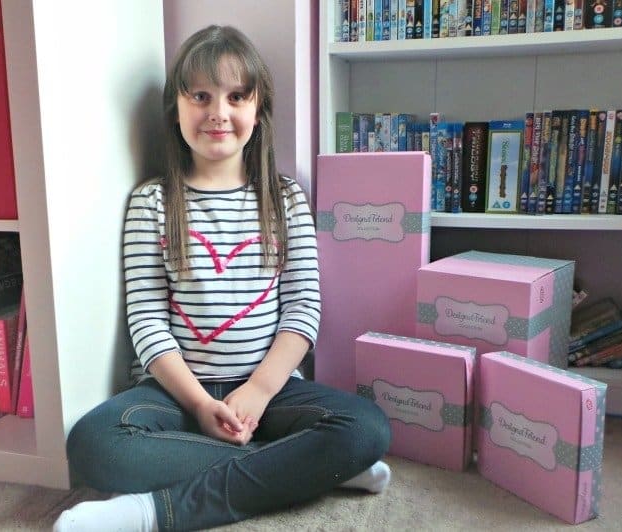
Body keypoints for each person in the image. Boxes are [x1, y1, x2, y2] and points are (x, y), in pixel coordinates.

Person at [54, 25, 391, 532]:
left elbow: (302, 311)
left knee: (366, 427)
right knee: (92, 445)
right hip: (175, 395)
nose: (219, 112)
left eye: (236, 96)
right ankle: (306, 470)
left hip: (270, 393)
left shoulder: (285, 199)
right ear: (176, 109)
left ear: (258, 110)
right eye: (201, 96)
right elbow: (146, 319)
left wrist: (257, 390)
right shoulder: (152, 202)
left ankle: (152, 513)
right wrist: (199, 402)